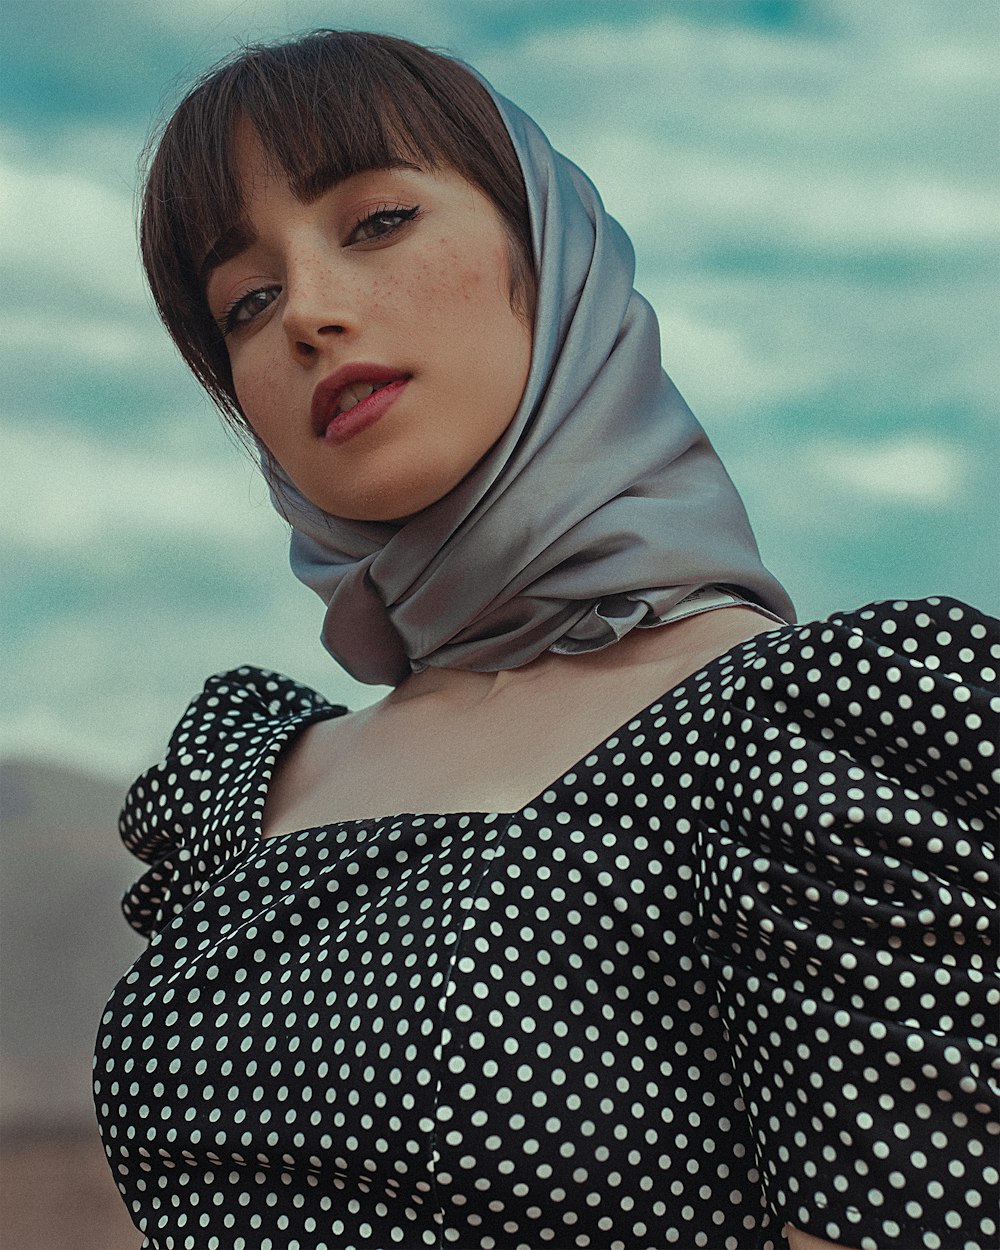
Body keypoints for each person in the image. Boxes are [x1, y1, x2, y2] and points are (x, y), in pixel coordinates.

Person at [93, 30, 998, 1250]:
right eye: (243, 302)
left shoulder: (811, 740)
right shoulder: (236, 780)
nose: (306, 313)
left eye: (373, 223)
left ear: (551, 254)